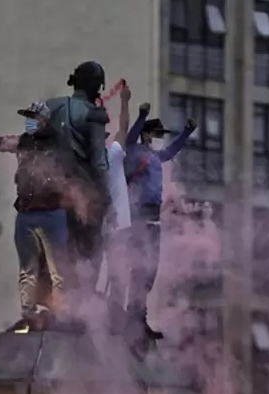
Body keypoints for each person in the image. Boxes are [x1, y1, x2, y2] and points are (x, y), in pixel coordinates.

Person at [0, 102, 72, 331]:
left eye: (33, 116)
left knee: (57, 269)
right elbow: (0, 142)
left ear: (44, 120)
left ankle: (60, 315)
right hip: (26, 214)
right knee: (27, 269)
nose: (29, 121)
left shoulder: (59, 145)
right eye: (28, 116)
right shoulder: (24, 142)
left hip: (52, 213)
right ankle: (28, 315)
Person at [123, 103, 196, 349]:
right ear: (146, 135)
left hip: (153, 218)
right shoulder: (135, 152)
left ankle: (139, 317)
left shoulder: (155, 157)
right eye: (155, 135)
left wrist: (186, 134)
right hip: (139, 216)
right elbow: (130, 138)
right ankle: (132, 319)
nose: (158, 140)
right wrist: (142, 115)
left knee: (149, 271)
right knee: (139, 268)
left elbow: (172, 151)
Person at [46, 61, 112, 294]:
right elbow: (98, 160)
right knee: (90, 248)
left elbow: (29, 138)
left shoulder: (49, 106)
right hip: (83, 189)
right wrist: (107, 195)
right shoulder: (94, 115)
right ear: (96, 86)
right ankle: (83, 298)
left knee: (58, 247)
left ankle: (58, 298)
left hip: (49, 190)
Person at [101, 80, 133, 333]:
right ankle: (107, 317)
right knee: (114, 274)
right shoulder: (111, 154)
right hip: (108, 226)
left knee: (116, 274)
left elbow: (123, 127)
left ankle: (112, 317)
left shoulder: (111, 154)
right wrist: (124, 101)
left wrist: (124, 102)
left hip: (114, 227)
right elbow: (123, 127)